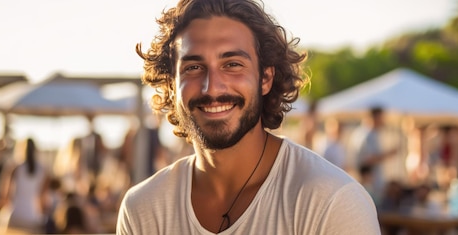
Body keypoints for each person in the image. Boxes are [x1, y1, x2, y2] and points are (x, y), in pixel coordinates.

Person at [116, 0, 380, 234]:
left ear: (265, 78)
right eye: (193, 67)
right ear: (172, 87)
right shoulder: (143, 210)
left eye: (232, 64)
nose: (212, 88)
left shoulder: (331, 202)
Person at [0, 138, 50, 233]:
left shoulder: (14, 167)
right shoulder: (43, 170)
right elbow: (43, 200)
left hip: (15, 214)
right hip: (33, 217)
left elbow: (4, 195)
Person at [349, 106, 398, 204]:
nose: (383, 121)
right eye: (381, 117)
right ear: (375, 117)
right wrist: (388, 154)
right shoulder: (367, 135)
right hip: (369, 187)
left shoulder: (369, 134)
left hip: (370, 186)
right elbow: (368, 160)